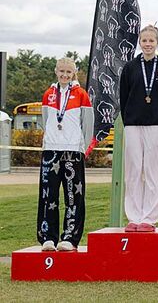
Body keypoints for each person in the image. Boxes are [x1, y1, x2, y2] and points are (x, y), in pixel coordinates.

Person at [119, 25, 158, 232]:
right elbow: (123, 96)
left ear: (157, 43)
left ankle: (149, 218)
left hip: (155, 124)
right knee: (133, 170)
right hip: (133, 123)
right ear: (139, 43)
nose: (148, 44)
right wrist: (128, 120)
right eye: (144, 41)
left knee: (152, 171)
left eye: (152, 40)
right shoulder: (130, 67)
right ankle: (134, 217)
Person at [37, 57, 93, 251]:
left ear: (74, 73)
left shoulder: (81, 95)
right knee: (48, 195)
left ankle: (70, 237)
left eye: (68, 72)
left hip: (73, 151)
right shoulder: (48, 95)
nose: (64, 75)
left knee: (73, 196)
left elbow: (87, 124)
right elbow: (46, 121)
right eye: (61, 71)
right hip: (51, 150)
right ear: (55, 71)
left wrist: (82, 147)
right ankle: (47, 237)